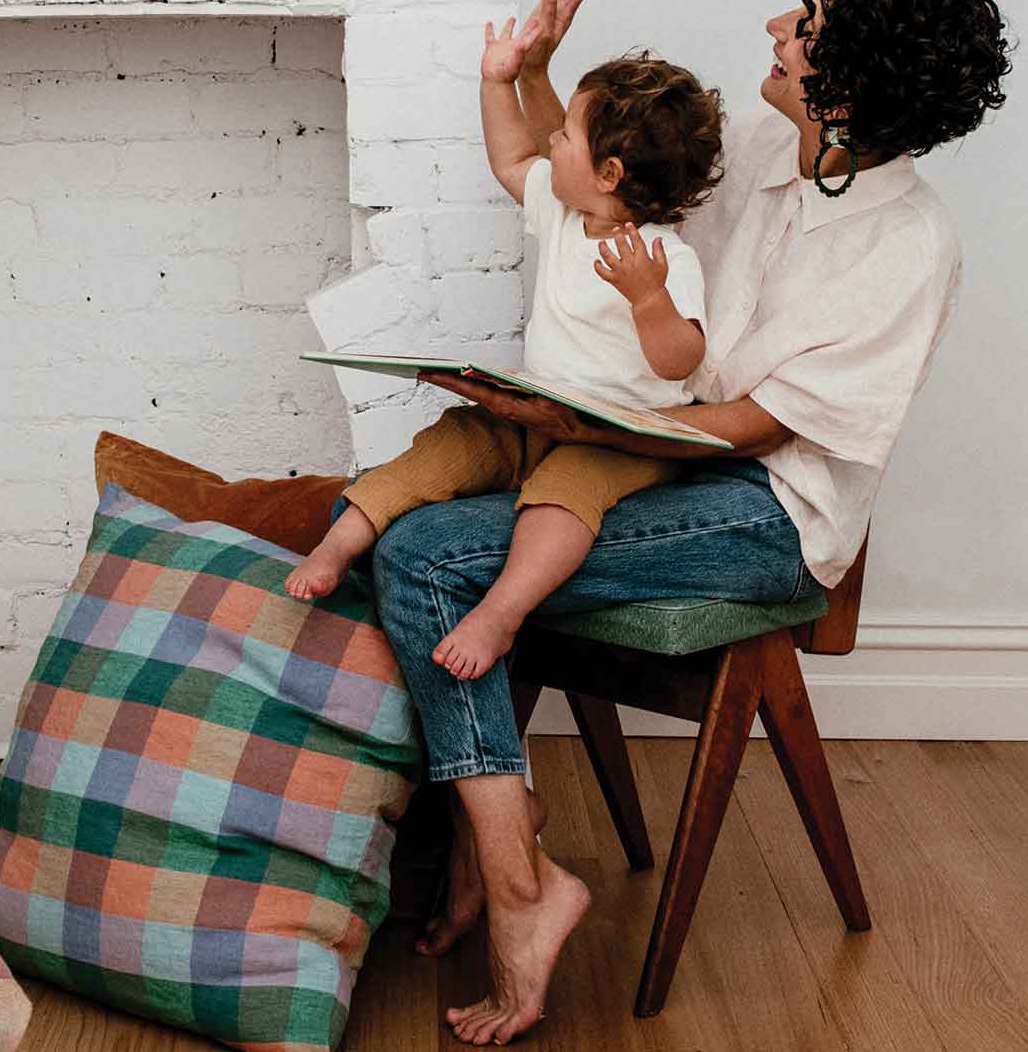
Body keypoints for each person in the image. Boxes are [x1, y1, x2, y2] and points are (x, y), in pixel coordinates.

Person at [379, 0, 1010, 1046]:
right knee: (415, 527)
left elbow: (757, 425)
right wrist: (540, 73)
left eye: (804, 23)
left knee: (429, 554)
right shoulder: (768, 142)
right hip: (648, 452)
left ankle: (514, 883)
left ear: (849, 87)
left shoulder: (911, 242)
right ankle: (510, 848)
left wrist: (582, 429)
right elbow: (607, 210)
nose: (776, 23)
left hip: (763, 511)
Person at [283, 42, 727, 685]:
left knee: (561, 501)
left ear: (608, 172)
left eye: (567, 133)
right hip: (539, 415)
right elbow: (513, 156)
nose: (553, 136)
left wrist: (649, 300)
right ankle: (338, 544)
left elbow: (679, 362)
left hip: (614, 439)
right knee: (446, 443)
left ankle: (501, 612)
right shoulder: (567, 212)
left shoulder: (663, 258)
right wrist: (498, 79)